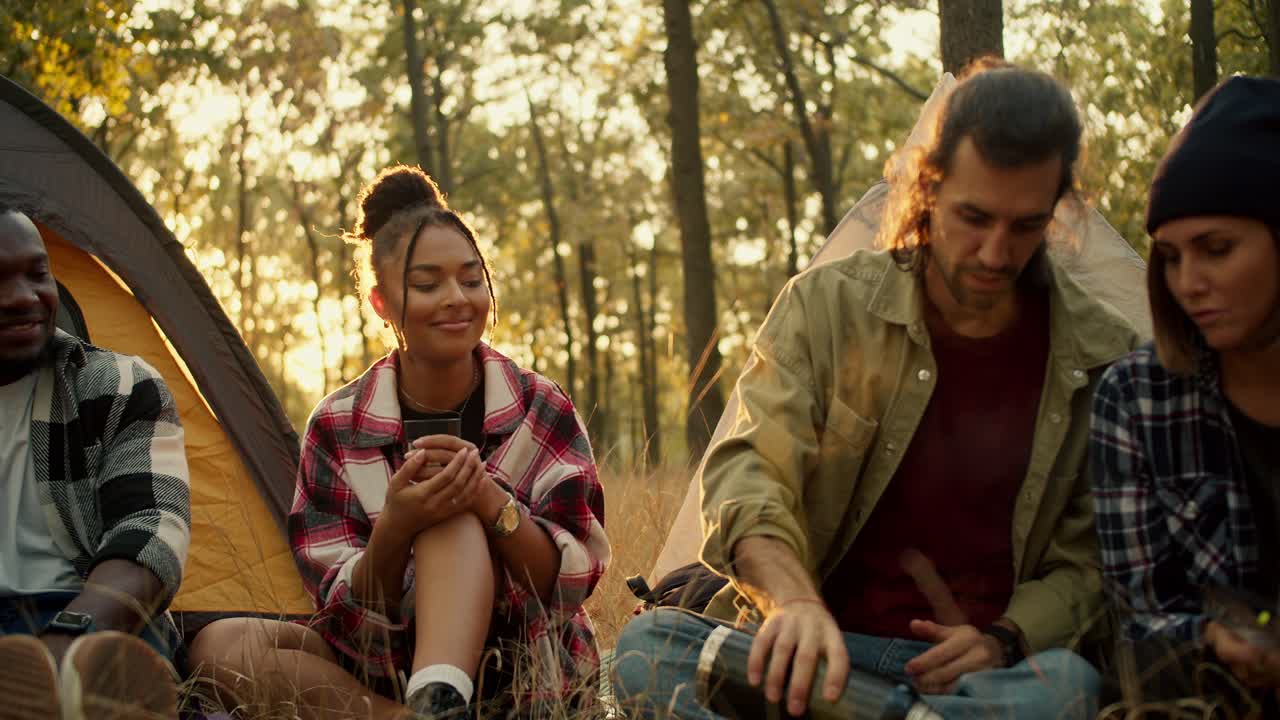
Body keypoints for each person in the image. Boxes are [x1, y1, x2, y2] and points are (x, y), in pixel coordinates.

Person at [612, 62, 1139, 720]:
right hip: (814, 655)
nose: (996, 253)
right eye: (973, 218)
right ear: (928, 187)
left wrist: (1005, 639)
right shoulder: (828, 306)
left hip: (977, 682)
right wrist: (793, 604)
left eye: (1025, 226)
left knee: (1066, 688)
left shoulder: (1102, 357)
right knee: (647, 649)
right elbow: (749, 473)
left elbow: (1092, 560)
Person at [187, 165, 609, 720]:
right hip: (385, 668)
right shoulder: (337, 424)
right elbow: (343, 618)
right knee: (218, 645)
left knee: (451, 515)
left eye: (472, 279)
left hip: (521, 667)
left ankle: (440, 696)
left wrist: (489, 502)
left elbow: (569, 584)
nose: (457, 298)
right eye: (428, 284)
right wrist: (394, 530)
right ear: (381, 302)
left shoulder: (540, 406)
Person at [1090, 76, 1280, 714]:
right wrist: (1214, 642)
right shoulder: (1136, 399)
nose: (1187, 283)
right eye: (1169, 257)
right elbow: (1138, 623)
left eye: (1217, 250)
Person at [0, 206, 191, 719]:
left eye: (37, 274)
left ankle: (76, 687)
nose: (24, 298)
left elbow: (152, 529)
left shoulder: (120, 386)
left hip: (90, 613)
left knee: (115, 665)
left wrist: (67, 644)